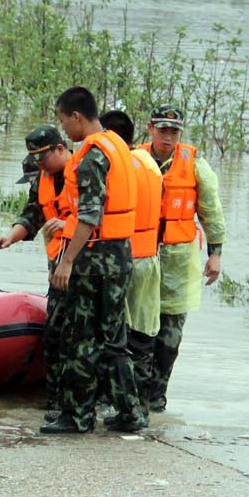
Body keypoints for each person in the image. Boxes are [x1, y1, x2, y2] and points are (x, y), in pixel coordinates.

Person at [40, 87, 147, 434]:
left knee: (80, 336)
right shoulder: (116, 144)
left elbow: (88, 215)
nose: (64, 130)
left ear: (76, 116)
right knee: (114, 338)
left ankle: (78, 416)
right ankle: (131, 413)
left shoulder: (91, 158)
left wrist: (67, 261)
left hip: (94, 259)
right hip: (121, 254)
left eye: (62, 120)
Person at [139, 104, 228, 412]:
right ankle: (132, 396)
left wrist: (215, 254)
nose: (168, 136)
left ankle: (157, 397)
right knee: (136, 329)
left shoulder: (194, 163)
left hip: (178, 259)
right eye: (162, 130)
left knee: (170, 334)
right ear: (150, 128)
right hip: (141, 254)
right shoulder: (135, 159)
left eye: (174, 131)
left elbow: (211, 211)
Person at [0, 125, 75, 421]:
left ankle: (81, 408)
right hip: (58, 272)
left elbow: (97, 216)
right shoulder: (43, 179)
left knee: (83, 342)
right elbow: (32, 214)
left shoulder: (84, 171)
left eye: (42, 158)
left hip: (88, 270)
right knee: (55, 339)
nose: (39, 165)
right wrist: (10, 237)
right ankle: (55, 405)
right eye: (35, 160)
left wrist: (69, 227)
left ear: (60, 149)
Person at [99, 109, 163, 426]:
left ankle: (124, 407)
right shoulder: (148, 162)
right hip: (150, 259)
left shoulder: (117, 164)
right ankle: (144, 406)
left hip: (123, 258)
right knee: (143, 336)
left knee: (117, 338)